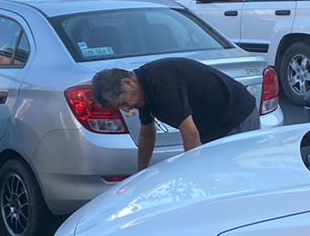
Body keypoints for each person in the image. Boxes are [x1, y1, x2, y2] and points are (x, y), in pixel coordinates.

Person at [91, 58, 259, 171]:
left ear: (128, 82)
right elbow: (147, 134)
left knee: (232, 174)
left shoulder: (162, 81)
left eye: (123, 103)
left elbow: (191, 134)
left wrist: (193, 174)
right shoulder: (142, 92)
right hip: (213, 126)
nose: (127, 109)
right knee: (215, 173)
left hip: (237, 117)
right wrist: (140, 173)